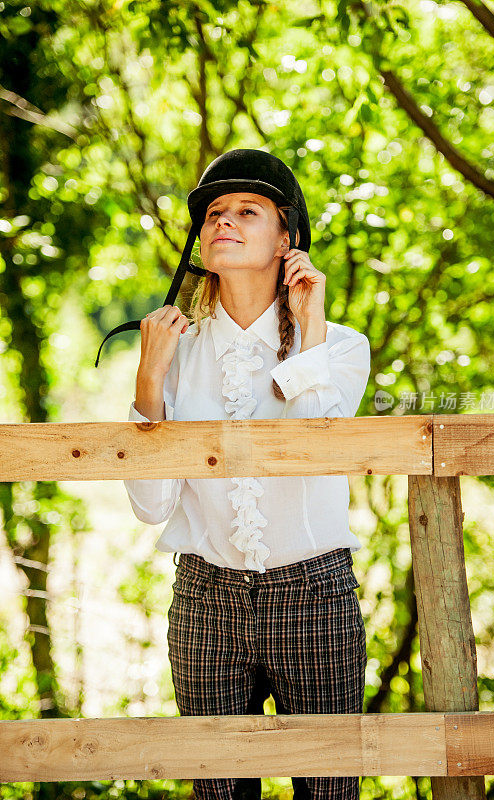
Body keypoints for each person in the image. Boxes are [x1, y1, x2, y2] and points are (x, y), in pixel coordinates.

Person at [123, 150, 371, 800]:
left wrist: (309, 325)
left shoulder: (342, 347)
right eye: (213, 213)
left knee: (331, 791)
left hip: (314, 596)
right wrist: (150, 382)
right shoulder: (174, 354)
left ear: (287, 238)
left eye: (247, 211)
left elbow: (321, 446)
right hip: (205, 601)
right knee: (218, 793)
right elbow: (151, 507)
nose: (222, 221)